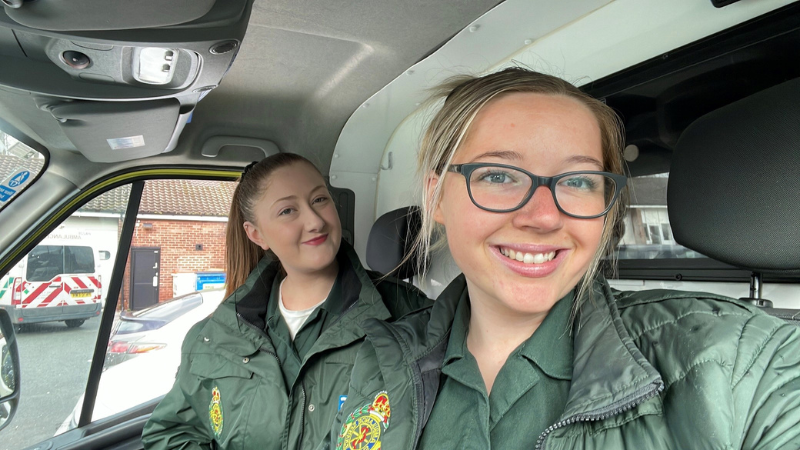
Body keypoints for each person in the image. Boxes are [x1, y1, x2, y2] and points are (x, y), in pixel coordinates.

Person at [325, 68, 800, 450]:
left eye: (577, 182)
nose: (544, 216)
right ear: (437, 199)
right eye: (499, 175)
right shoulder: (362, 362)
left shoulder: (738, 359)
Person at [141, 153, 430, 450]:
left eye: (320, 200)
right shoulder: (215, 336)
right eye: (288, 210)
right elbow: (170, 434)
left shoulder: (411, 315)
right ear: (256, 234)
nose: (315, 221)